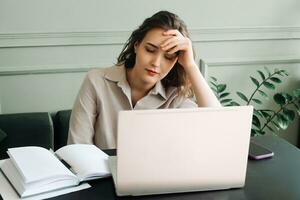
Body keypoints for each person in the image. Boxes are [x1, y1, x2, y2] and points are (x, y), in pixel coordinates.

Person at [67, 10, 221, 149]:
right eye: (150, 50)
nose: (156, 63)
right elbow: (78, 148)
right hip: (99, 179)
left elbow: (217, 124)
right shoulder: (96, 81)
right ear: (136, 46)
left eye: (168, 57)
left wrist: (190, 65)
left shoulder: (176, 98)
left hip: (155, 180)